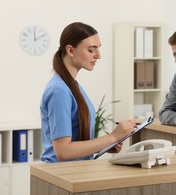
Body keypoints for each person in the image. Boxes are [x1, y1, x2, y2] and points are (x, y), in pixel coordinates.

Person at [40, 22, 137, 163]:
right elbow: (63, 151)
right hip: (60, 175)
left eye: (98, 49)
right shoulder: (59, 91)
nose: (98, 56)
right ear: (71, 51)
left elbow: (75, 142)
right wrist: (112, 137)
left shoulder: (72, 86)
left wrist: (106, 145)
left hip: (75, 171)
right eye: (91, 50)